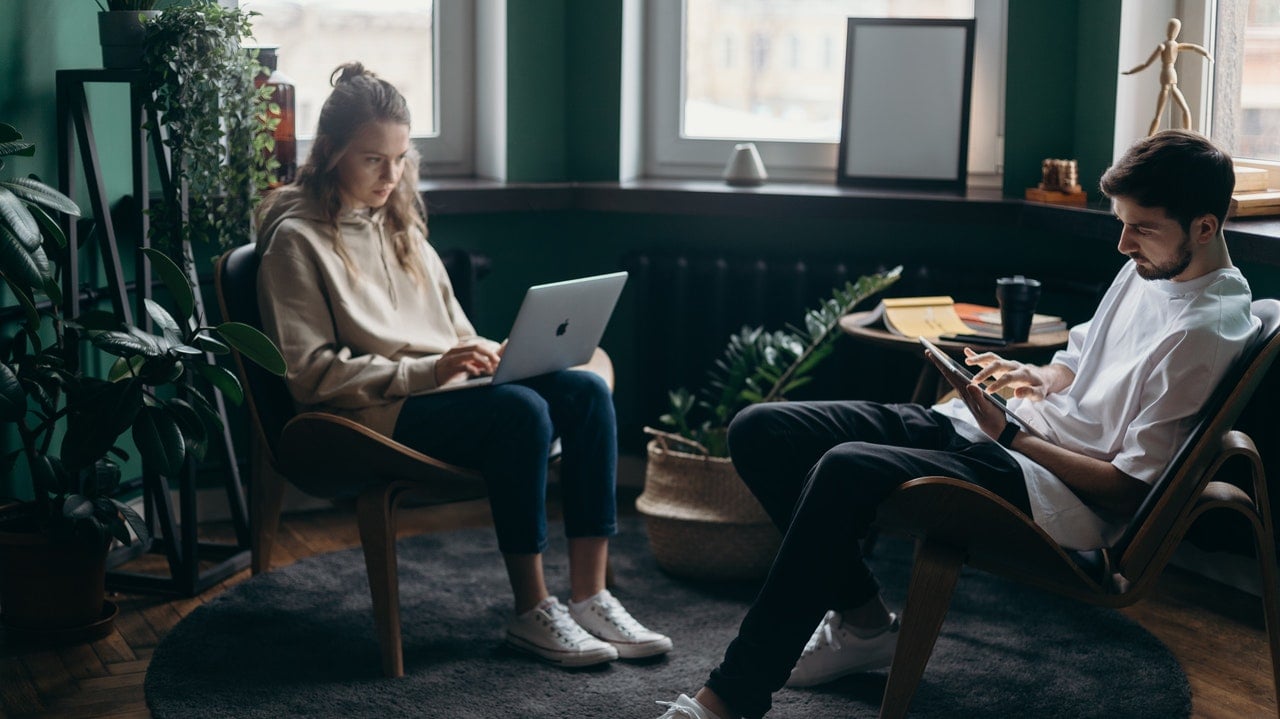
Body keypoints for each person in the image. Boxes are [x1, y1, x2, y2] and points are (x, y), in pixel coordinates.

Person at [653, 129, 1258, 719]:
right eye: (1121, 222)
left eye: (1141, 228)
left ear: (1205, 227)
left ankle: (730, 700)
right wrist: (1031, 378)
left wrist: (1010, 434)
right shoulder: (1150, 265)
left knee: (845, 468)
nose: (1123, 243)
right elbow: (1079, 362)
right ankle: (865, 625)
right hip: (1005, 434)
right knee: (761, 429)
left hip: (1049, 489)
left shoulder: (1202, 333)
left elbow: (1128, 488)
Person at [255, 62, 671, 669]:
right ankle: (532, 610)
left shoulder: (402, 228)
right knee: (520, 411)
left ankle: (592, 596)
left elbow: (451, 333)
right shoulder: (295, 243)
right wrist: (430, 371)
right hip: (371, 415)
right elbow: (312, 376)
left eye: (400, 158)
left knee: (584, 391)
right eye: (373, 159)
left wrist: (492, 354)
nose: (391, 176)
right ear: (332, 152)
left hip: (438, 393)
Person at [1121, 17, 1213, 136]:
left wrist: (1207, 55)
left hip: (1169, 75)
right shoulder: (1167, 46)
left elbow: (1146, 64)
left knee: (1174, 111)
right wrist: (1130, 71)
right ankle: (1149, 139)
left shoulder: (1169, 46)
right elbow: (1194, 48)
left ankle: (1188, 136)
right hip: (1168, 75)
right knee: (1166, 111)